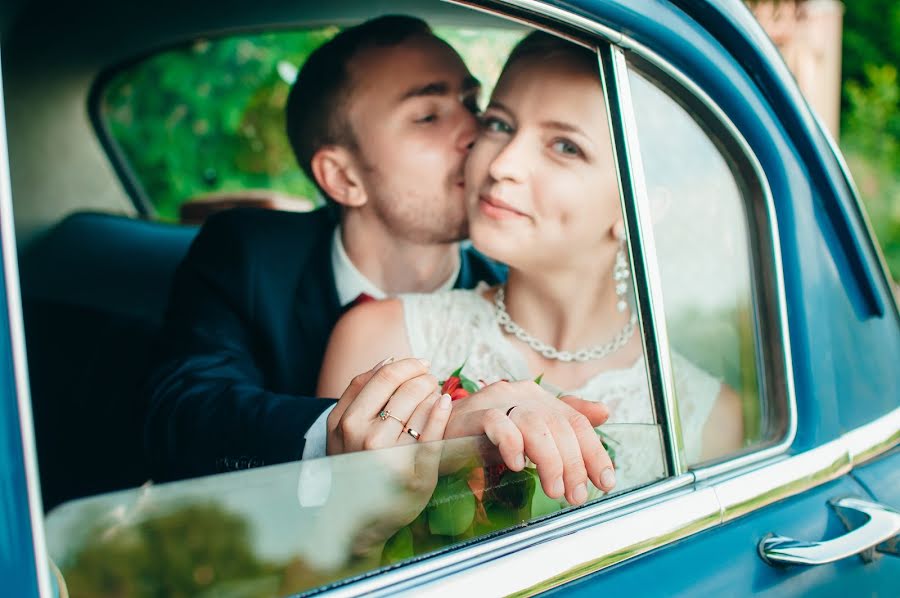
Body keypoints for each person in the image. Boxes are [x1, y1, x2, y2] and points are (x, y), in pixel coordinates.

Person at [143, 16, 614, 500]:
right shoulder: (250, 254)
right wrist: (351, 434)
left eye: (474, 104)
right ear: (344, 177)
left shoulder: (512, 295)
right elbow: (183, 415)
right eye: (429, 116)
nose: (479, 134)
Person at [317, 32, 745, 503]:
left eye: (565, 147)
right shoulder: (379, 339)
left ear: (637, 208)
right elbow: (328, 556)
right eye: (500, 125)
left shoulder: (709, 416)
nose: (503, 164)